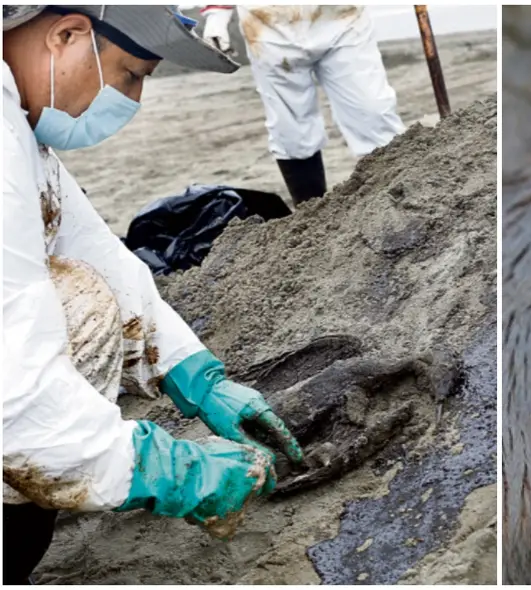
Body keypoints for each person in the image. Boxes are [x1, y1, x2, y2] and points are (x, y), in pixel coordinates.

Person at [2, 5, 304, 584]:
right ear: (67, 35)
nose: (133, 99)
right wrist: (161, 469)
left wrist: (194, 373)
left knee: (83, 290)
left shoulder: (16, 123)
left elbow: (93, 247)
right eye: (131, 74)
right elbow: (12, 382)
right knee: (73, 306)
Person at [199, 5, 407, 205]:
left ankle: (400, 198)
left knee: (372, 111)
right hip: (268, 25)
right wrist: (217, 14)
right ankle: (311, 213)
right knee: (291, 130)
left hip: (343, 19)